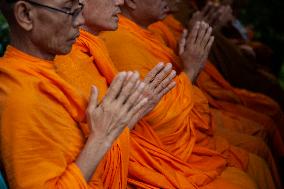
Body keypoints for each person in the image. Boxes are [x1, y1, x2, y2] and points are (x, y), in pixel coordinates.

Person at [99, 0, 277, 188]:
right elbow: (161, 121)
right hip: (165, 148)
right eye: (70, 9)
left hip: (189, 125)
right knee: (251, 164)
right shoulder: (118, 42)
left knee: (263, 126)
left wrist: (191, 64)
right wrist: (191, 70)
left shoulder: (146, 31)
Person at [0, 0, 158, 188]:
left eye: (80, 9)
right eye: (70, 10)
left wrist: (122, 120)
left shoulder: (48, 69)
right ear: (25, 15)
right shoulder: (23, 97)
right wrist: (100, 138)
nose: (80, 20)